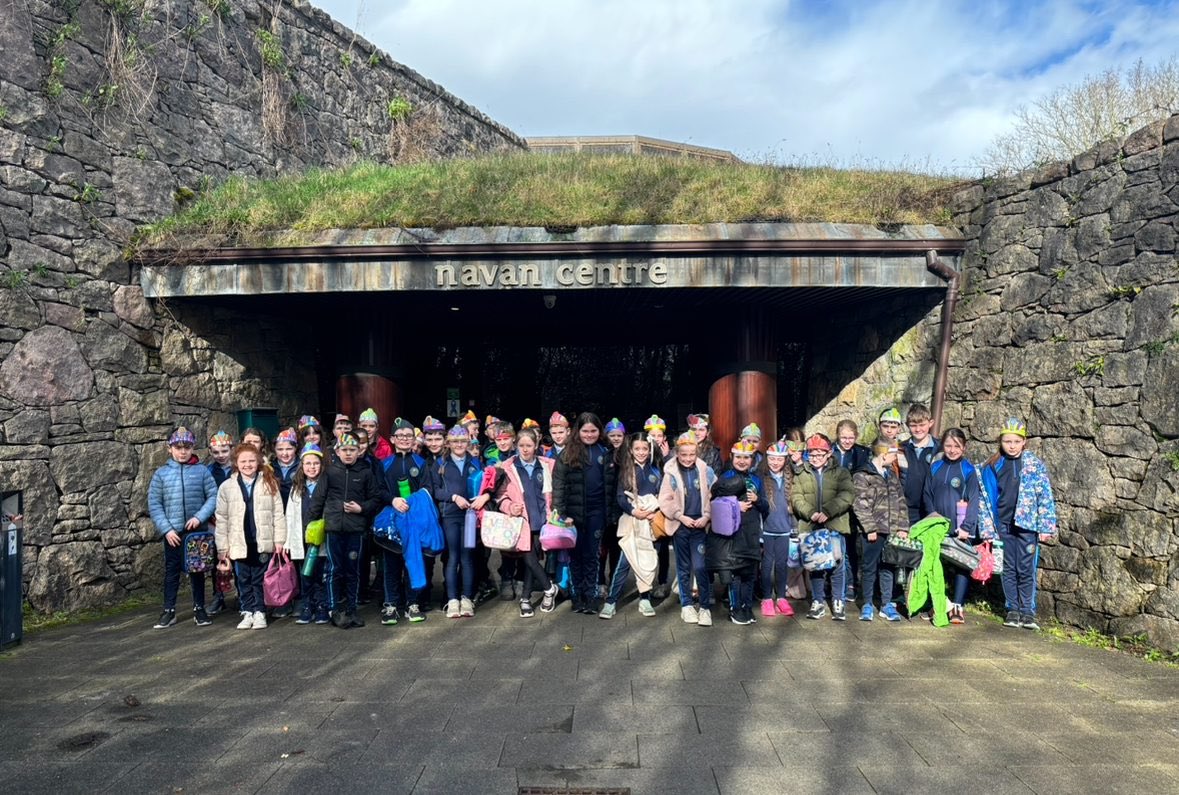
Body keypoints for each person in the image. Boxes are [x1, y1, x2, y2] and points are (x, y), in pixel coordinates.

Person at [978, 418, 1058, 630]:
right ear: (1001, 442)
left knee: (1026, 568)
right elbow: (986, 500)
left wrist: (1046, 526)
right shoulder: (993, 466)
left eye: (1016, 441)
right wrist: (988, 529)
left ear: (1024, 442)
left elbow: (1044, 495)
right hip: (1003, 525)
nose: (1012, 446)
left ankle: (1028, 611)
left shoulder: (1034, 465)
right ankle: (1012, 609)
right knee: (1009, 568)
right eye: (1007, 441)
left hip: (1027, 527)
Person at [307, 433, 383, 629]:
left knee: (353, 570)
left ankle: (352, 608)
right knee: (334, 569)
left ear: (358, 451)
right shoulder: (330, 473)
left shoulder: (366, 473)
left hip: (356, 529)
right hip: (333, 528)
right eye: (344, 450)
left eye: (352, 450)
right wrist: (310, 524)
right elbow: (317, 500)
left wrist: (361, 508)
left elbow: (375, 499)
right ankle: (333, 609)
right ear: (338, 451)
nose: (348, 453)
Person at [147, 427, 219, 629]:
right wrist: (166, 530)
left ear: (192, 448)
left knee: (197, 571)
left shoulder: (202, 471)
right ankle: (169, 610)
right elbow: (155, 503)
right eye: (178, 448)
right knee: (171, 571)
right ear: (169, 448)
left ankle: (199, 608)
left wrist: (199, 517)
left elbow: (213, 496)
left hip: (196, 532)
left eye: (187, 447)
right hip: (173, 533)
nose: (182, 452)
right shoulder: (161, 474)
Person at [214, 443, 286, 630]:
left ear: (258, 461)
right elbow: (222, 518)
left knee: (259, 579)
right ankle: (247, 611)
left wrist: (279, 540)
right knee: (243, 579)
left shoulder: (269, 483)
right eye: (243, 461)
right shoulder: (227, 487)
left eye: (252, 461)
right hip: (239, 542)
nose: (248, 465)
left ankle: (260, 611)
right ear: (236, 463)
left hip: (261, 541)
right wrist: (222, 547)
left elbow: (278, 514)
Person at [553, 412, 617, 614]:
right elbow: (559, 485)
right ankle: (576, 596)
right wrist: (561, 514)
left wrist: (611, 513)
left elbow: (612, 484)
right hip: (573, 514)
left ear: (600, 431)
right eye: (585, 431)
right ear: (577, 431)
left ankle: (591, 596)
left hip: (597, 512)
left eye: (593, 431)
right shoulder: (567, 453)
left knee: (592, 555)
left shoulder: (606, 451)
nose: (589, 435)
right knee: (575, 555)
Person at [492, 427, 560, 617]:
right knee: (528, 558)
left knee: (533, 561)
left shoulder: (548, 465)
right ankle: (549, 588)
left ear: (536, 445)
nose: (525, 449)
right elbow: (499, 495)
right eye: (521, 445)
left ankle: (525, 599)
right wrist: (509, 506)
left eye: (529, 445)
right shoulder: (507, 467)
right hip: (521, 522)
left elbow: (556, 492)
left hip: (542, 521)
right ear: (516, 445)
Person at [792, 433, 855, 621]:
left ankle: (838, 601)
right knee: (815, 565)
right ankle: (817, 602)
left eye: (820, 454)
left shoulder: (841, 473)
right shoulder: (801, 473)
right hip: (811, 526)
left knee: (837, 564)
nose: (816, 458)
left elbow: (847, 495)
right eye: (812, 454)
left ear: (828, 454)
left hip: (834, 525)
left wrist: (828, 511)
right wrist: (810, 513)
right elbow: (796, 498)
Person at [428, 425, 489, 618]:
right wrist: (453, 497)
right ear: (448, 443)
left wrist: (484, 497)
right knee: (452, 557)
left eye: (463, 441)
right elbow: (435, 490)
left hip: (470, 517)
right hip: (450, 516)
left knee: (467, 557)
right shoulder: (440, 463)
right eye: (455, 441)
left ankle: (467, 598)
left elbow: (486, 486)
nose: (459, 445)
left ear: (468, 442)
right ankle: (453, 599)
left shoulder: (475, 462)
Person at [600, 433, 661, 619]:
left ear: (650, 450)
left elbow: (663, 495)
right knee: (624, 563)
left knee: (647, 562)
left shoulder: (656, 471)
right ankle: (611, 601)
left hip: (651, 522)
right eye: (637, 449)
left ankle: (645, 598)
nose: (641, 452)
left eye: (645, 449)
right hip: (631, 521)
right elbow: (620, 497)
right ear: (631, 450)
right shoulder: (626, 470)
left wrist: (654, 511)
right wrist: (634, 511)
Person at [924, 428, 980, 625]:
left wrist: (967, 526)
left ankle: (957, 606)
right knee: (935, 565)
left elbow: (974, 500)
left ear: (964, 447)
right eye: (948, 445)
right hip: (937, 525)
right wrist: (932, 516)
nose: (952, 450)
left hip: (960, 528)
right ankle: (938, 604)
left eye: (957, 446)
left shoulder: (968, 470)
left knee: (960, 566)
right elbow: (927, 494)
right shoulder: (935, 467)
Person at [659, 431, 716, 626]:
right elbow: (665, 499)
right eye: (684, 454)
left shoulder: (706, 471)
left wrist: (707, 516)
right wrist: (679, 516)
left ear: (697, 452)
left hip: (700, 525)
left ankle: (705, 607)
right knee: (683, 567)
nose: (688, 458)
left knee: (700, 566)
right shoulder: (670, 473)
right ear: (677, 453)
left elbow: (714, 495)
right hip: (680, 525)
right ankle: (687, 605)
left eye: (692, 454)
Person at [710, 441, 768, 626]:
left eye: (746, 457)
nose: (742, 461)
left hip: (751, 532)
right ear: (732, 457)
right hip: (732, 534)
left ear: (752, 459)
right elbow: (715, 504)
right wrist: (735, 505)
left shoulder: (756, 479)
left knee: (750, 574)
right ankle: (735, 608)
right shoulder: (724, 477)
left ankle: (747, 606)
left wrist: (757, 500)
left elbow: (766, 507)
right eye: (738, 457)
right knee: (735, 573)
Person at [853, 440, 907, 622]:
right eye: (893, 455)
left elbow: (901, 502)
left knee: (888, 568)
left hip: (891, 531)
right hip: (873, 532)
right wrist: (869, 528)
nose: (895, 459)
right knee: (868, 567)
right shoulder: (863, 475)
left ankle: (886, 604)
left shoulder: (891, 475)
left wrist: (902, 527)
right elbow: (860, 505)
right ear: (884, 455)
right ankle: (867, 603)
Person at [381, 418, 428, 625]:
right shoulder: (384, 464)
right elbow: (378, 490)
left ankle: (412, 603)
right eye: (400, 436)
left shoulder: (421, 463)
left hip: (413, 521)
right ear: (392, 439)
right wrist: (393, 500)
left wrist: (412, 503)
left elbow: (427, 490)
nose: (404, 439)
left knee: (413, 562)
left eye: (408, 436)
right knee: (391, 564)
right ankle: (390, 604)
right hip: (391, 520)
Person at [289, 443, 328, 625]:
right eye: (308, 464)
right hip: (302, 538)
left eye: (316, 463)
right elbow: (290, 515)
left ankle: (321, 606)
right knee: (305, 574)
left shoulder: (326, 485)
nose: (312, 467)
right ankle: (307, 606)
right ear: (302, 466)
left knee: (321, 574)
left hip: (321, 538)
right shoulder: (297, 488)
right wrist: (288, 541)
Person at [832, 419, 870, 600]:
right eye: (843, 438)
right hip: (831, 505)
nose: (847, 441)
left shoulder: (861, 453)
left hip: (851, 506)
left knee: (849, 548)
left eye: (851, 438)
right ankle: (831, 583)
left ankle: (850, 583)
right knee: (832, 547)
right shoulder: (829, 451)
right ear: (837, 436)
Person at [759, 441, 796, 617]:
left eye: (779, 459)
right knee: (766, 565)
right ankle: (766, 598)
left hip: (784, 529)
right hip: (767, 529)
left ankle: (781, 597)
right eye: (772, 459)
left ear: (785, 460)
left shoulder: (791, 478)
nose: (775, 462)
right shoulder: (761, 478)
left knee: (782, 565)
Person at [644, 414, 673, 597]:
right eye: (652, 436)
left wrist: (666, 457)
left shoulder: (670, 457)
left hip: (662, 509)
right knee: (645, 548)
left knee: (662, 548)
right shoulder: (641, 454)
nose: (656, 439)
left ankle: (662, 582)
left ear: (664, 438)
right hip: (644, 508)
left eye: (659, 436)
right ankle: (645, 584)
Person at [902, 404, 941, 524]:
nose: (918, 429)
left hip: (932, 509)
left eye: (922, 425)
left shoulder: (940, 449)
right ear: (907, 425)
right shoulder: (900, 449)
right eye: (913, 425)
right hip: (906, 510)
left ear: (931, 423)